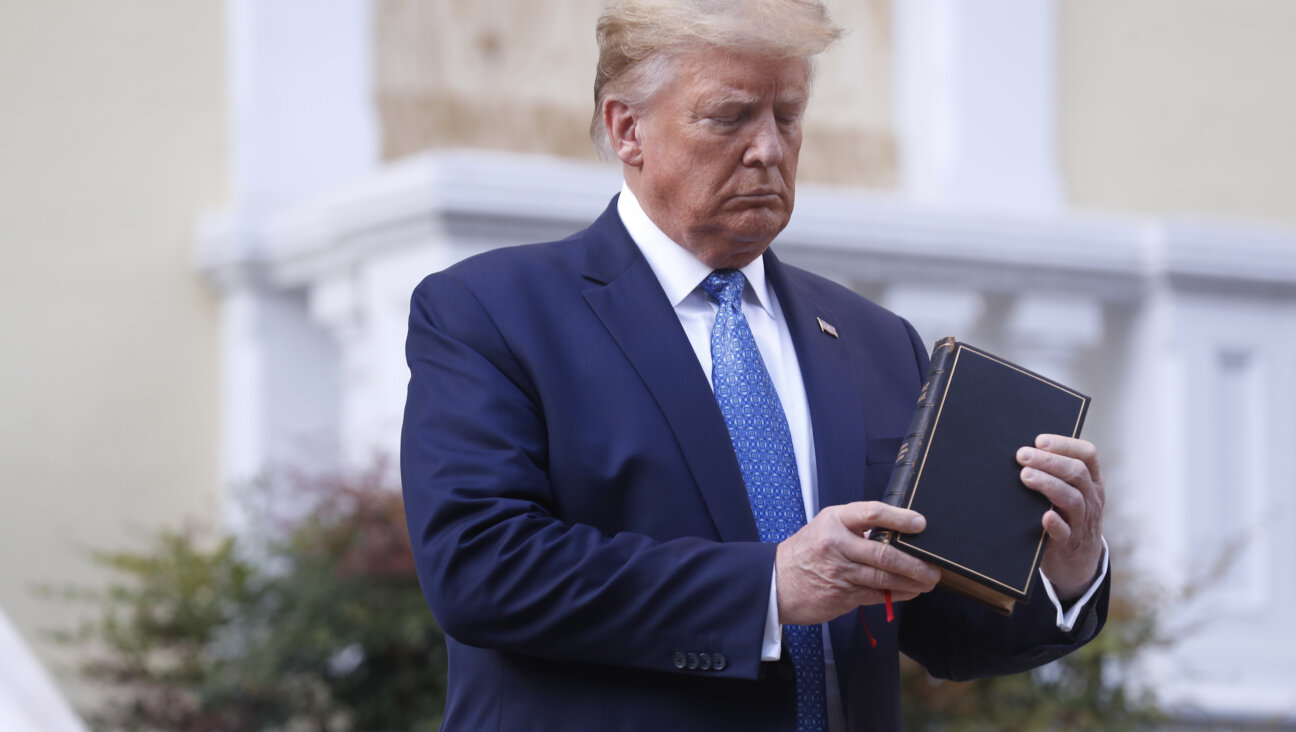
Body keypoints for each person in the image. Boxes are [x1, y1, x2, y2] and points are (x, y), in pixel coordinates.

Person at [400, 1, 1110, 729]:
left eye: (788, 116)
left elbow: (943, 629)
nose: (769, 149)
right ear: (626, 129)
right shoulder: (493, 312)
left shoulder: (876, 342)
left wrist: (1063, 568)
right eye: (730, 117)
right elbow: (481, 568)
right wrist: (767, 588)